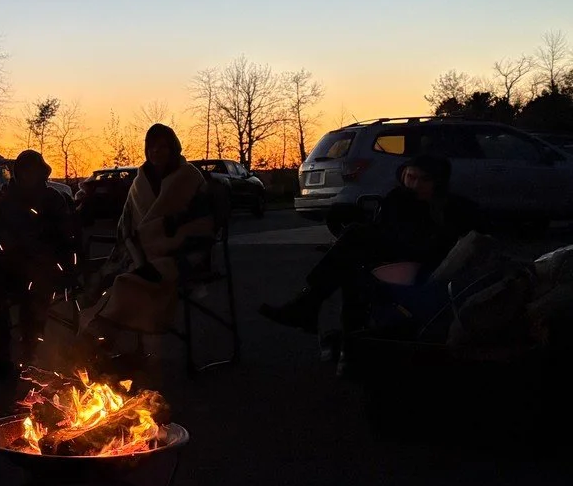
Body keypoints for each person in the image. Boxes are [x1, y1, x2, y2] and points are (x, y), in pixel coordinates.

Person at [261, 154, 481, 343]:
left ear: (438, 182)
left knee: (354, 241)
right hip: (392, 256)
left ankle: (308, 306)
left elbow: (434, 244)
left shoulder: (450, 207)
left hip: (423, 264)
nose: (414, 185)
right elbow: (383, 230)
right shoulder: (398, 198)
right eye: (410, 177)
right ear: (403, 175)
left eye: (424, 180)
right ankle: (349, 336)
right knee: (352, 262)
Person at [80, 125, 214, 357]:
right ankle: (109, 342)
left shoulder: (189, 177)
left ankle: (109, 336)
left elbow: (200, 223)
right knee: (116, 278)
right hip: (138, 253)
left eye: (163, 147)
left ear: (173, 148)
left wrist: (163, 237)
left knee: (132, 281)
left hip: (179, 254)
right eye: (152, 148)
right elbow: (128, 222)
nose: (156, 152)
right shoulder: (139, 181)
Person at [0, 150, 80, 376]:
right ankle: (1, 348)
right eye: (24, 170)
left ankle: (29, 349)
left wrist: (58, 260)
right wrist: (0, 247)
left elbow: (67, 236)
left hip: (42, 265)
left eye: (33, 170)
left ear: (42, 172)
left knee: (36, 284)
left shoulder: (53, 200)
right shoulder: (0, 199)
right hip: (6, 266)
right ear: (17, 173)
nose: (29, 175)